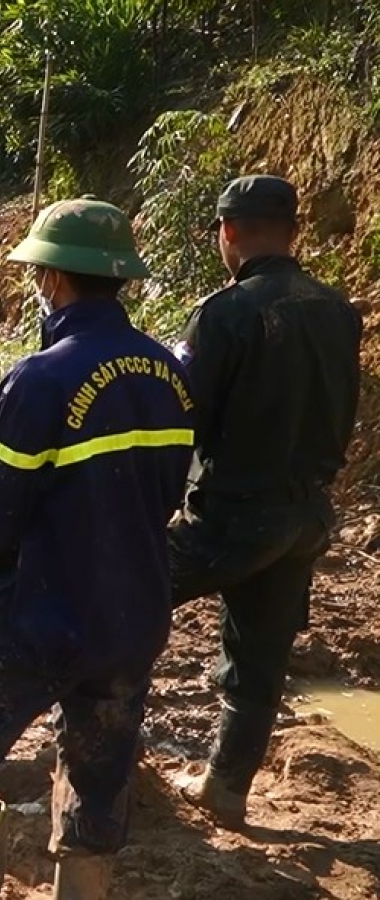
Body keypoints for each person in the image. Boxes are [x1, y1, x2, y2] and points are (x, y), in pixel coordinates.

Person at [0, 198, 194, 900]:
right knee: (98, 781)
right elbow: (161, 495)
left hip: (42, 623)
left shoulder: (38, 380)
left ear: (53, 281)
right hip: (133, 619)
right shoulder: (168, 376)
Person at [169, 175, 362, 828]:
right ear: (294, 230)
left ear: (227, 232)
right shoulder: (338, 310)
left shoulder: (224, 314)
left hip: (231, 513)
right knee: (261, 657)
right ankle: (226, 787)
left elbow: (179, 423)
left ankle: (99, 769)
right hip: (307, 514)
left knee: (116, 595)